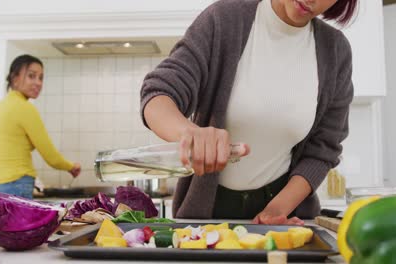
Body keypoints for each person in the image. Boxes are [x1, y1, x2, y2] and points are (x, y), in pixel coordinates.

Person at [141, 0, 357, 224]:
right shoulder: (223, 19)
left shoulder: (335, 50)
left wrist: (277, 209)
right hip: (208, 211)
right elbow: (159, 92)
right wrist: (188, 132)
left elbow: (323, 151)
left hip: (284, 213)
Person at [0, 54, 81, 199]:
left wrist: (2, 172)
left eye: (41, 77)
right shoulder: (25, 108)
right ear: (14, 78)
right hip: (17, 185)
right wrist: (71, 167)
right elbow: (50, 157)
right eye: (31, 76)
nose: (38, 83)